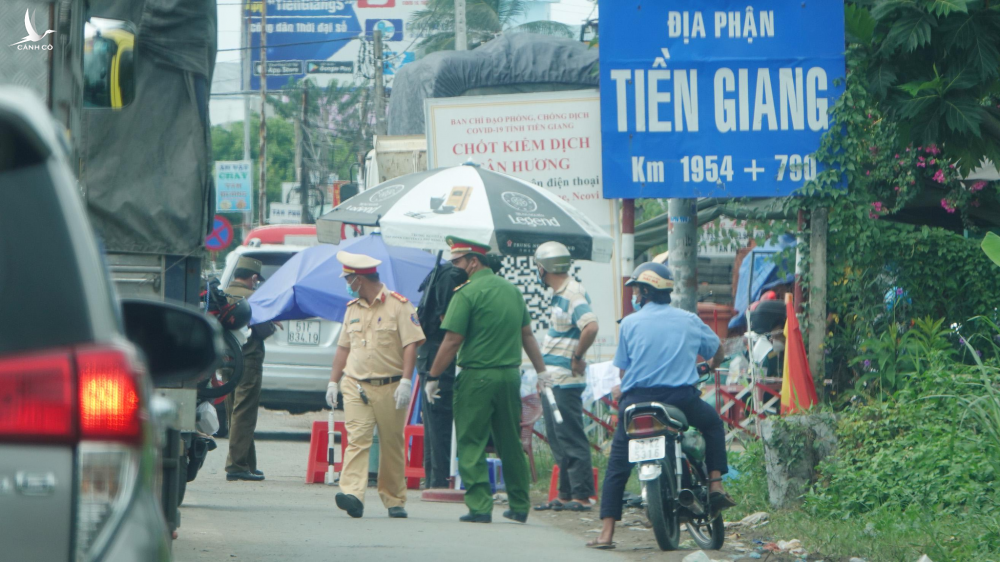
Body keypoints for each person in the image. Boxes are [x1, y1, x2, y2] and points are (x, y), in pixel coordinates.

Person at [587, 262, 734, 549]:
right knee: (713, 424)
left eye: (637, 291)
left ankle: (606, 534)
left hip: (636, 402)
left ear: (644, 291)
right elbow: (718, 348)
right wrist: (713, 364)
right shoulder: (689, 320)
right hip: (680, 398)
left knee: (618, 462)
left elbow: (622, 373)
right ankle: (715, 485)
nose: (635, 296)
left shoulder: (629, 323)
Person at [426, 236, 551, 524]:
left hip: (476, 377)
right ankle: (520, 504)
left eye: (458, 261)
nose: (455, 267)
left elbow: (452, 340)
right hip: (509, 377)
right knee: (510, 440)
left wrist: (433, 375)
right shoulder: (511, 291)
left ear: (473, 261)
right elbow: (527, 335)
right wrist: (541, 371)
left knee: (472, 441)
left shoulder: (466, 293)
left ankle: (480, 506)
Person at [325, 251, 425, 519]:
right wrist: (333, 382)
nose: (347, 284)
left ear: (359, 279)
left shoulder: (399, 306)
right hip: (356, 385)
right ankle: (352, 494)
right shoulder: (352, 309)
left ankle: (394, 499)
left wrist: (406, 381)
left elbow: (411, 345)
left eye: (348, 279)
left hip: (391, 386)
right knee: (357, 439)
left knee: (391, 442)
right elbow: (343, 349)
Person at [532, 241, 598, 512]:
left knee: (570, 435)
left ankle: (582, 495)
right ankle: (566, 493)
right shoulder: (560, 294)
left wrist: (578, 357)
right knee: (557, 437)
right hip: (553, 379)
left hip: (565, 381)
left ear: (543, 268)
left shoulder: (573, 293)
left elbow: (591, 326)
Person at [416, 262, 467, 489]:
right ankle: (439, 479)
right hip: (439, 352)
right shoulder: (453, 276)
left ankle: (434, 477)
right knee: (440, 419)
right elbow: (448, 321)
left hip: (430, 351)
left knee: (434, 418)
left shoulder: (442, 271)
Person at [225, 256, 276, 482]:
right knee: (245, 411)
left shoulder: (222, 294)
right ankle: (236, 465)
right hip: (249, 359)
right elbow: (265, 330)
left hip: (226, 360)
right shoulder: (255, 298)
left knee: (234, 411)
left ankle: (247, 463)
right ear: (253, 278)